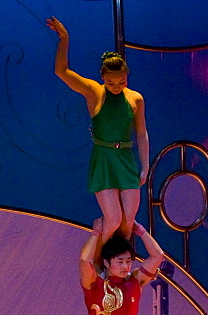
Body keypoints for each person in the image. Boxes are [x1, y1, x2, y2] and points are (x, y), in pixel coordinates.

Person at [47, 18, 148, 243]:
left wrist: (145, 166)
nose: (116, 87)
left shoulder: (135, 98)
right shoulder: (94, 92)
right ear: (103, 78)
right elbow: (61, 71)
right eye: (111, 83)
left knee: (127, 222)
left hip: (126, 159)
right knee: (112, 220)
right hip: (104, 159)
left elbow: (141, 133)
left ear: (127, 77)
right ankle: (97, 263)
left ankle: (118, 268)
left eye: (121, 82)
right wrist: (65, 39)